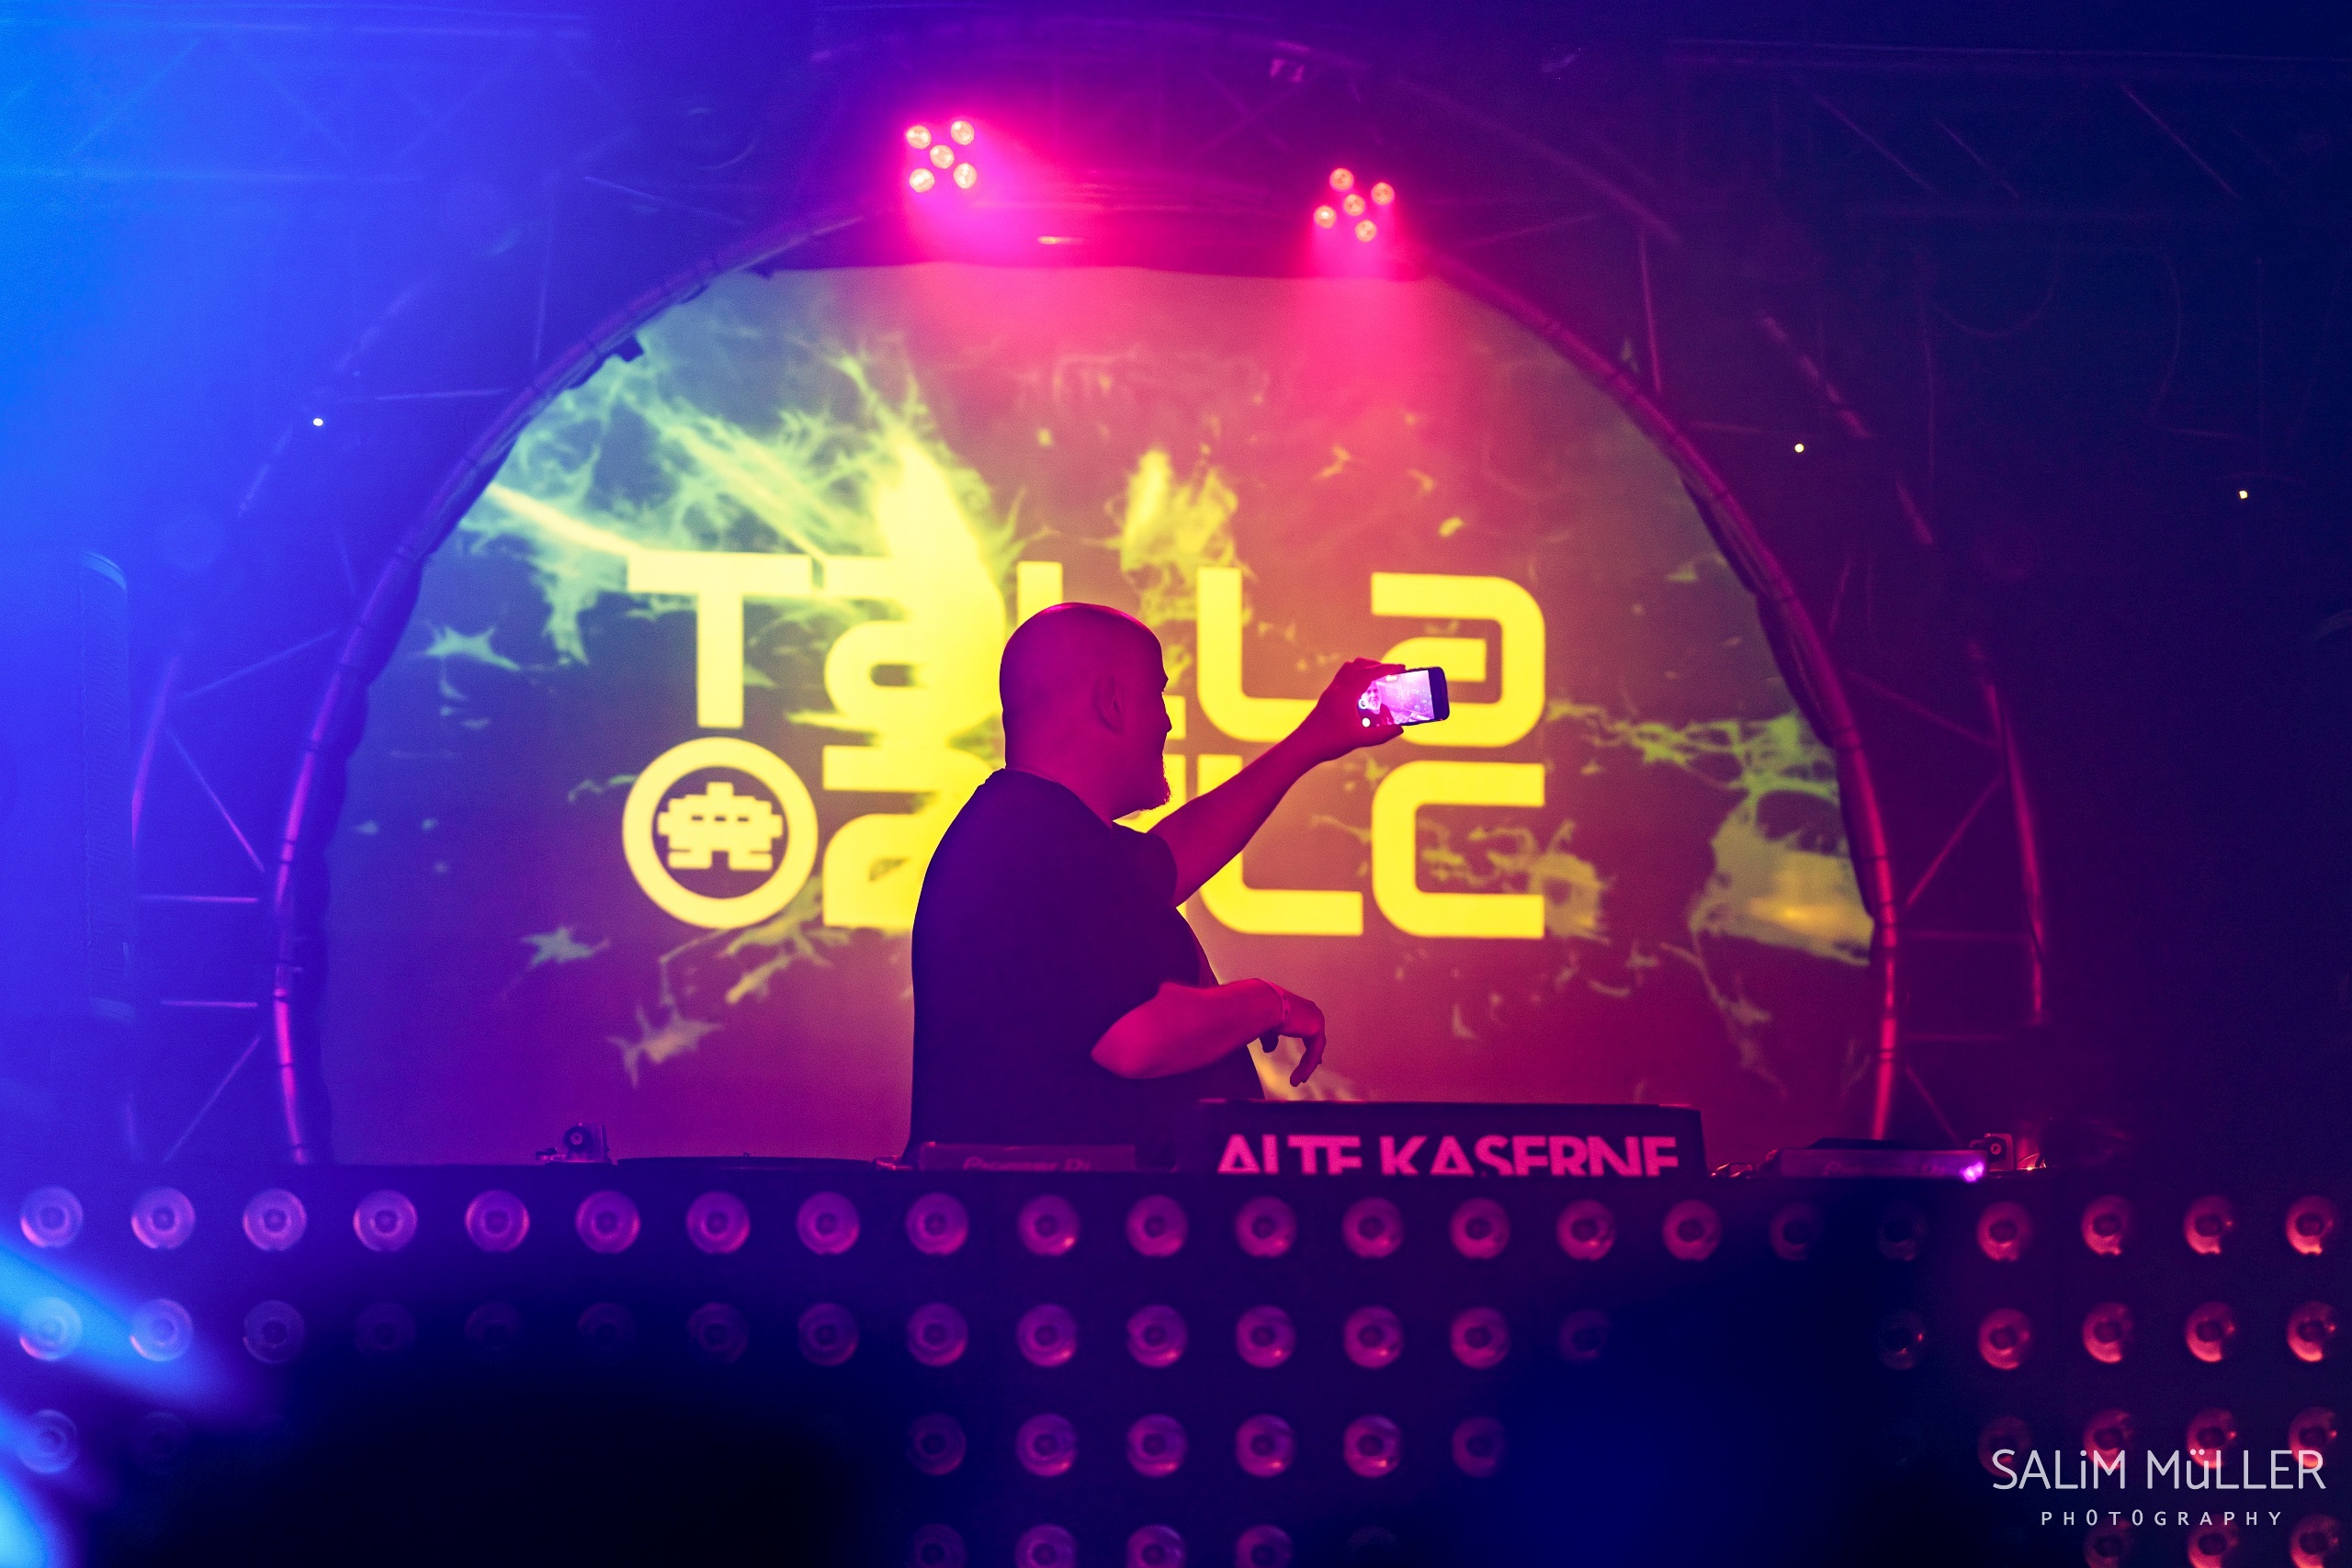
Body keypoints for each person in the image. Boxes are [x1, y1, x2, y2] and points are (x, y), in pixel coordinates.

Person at [907, 602, 1403, 1163]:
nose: (1167, 722)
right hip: (1061, 1214)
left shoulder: (1033, 832)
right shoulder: (1035, 841)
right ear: (1113, 704)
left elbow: (1172, 858)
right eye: (1158, 696)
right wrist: (1268, 1003)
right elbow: (1135, 1038)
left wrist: (1317, 736)